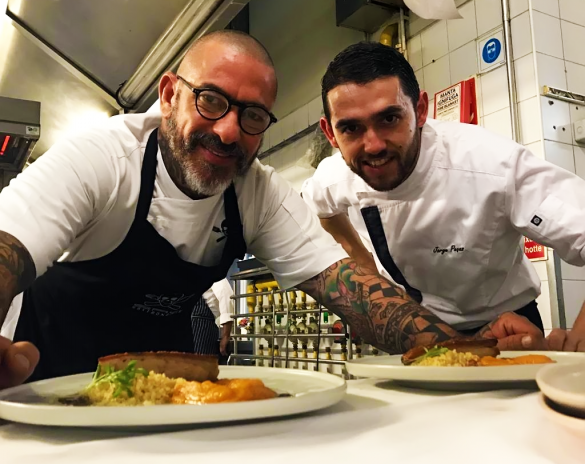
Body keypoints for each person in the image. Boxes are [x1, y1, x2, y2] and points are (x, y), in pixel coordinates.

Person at [0, 31, 545, 390]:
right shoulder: (103, 159)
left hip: (164, 389)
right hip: (43, 378)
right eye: (211, 100)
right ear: (169, 95)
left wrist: (471, 352)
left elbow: (356, 296)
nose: (228, 131)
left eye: (253, 116)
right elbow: (8, 243)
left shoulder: (256, 193)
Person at [302, 41, 585, 349]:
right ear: (330, 133)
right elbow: (322, 209)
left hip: (504, 327)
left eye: (389, 119)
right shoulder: (333, 176)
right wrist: (365, 266)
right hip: (411, 328)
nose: (374, 146)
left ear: (420, 110)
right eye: (351, 128)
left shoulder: (492, 163)